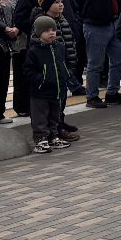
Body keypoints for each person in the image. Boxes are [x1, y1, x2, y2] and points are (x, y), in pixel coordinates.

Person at [25, 15, 73, 153]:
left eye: (53, 29)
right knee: (39, 116)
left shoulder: (60, 47)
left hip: (57, 89)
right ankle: (40, 139)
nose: (51, 33)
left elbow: (67, 62)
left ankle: (53, 136)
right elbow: (28, 70)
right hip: (40, 91)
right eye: (47, 31)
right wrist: (41, 79)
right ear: (39, 33)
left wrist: (67, 74)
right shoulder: (34, 50)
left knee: (55, 114)